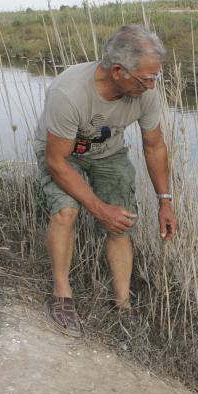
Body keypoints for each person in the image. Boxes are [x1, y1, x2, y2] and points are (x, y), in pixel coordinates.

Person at [34, 24, 177, 337]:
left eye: (156, 77)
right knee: (66, 212)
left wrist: (165, 202)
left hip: (108, 154)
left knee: (121, 221)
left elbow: (154, 146)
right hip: (63, 154)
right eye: (146, 78)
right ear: (118, 71)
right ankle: (61, 296)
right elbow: (56, 162)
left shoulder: (145, 92)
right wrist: (99, 209)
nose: (152, 86)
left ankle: (122, 304)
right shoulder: (69, 93)